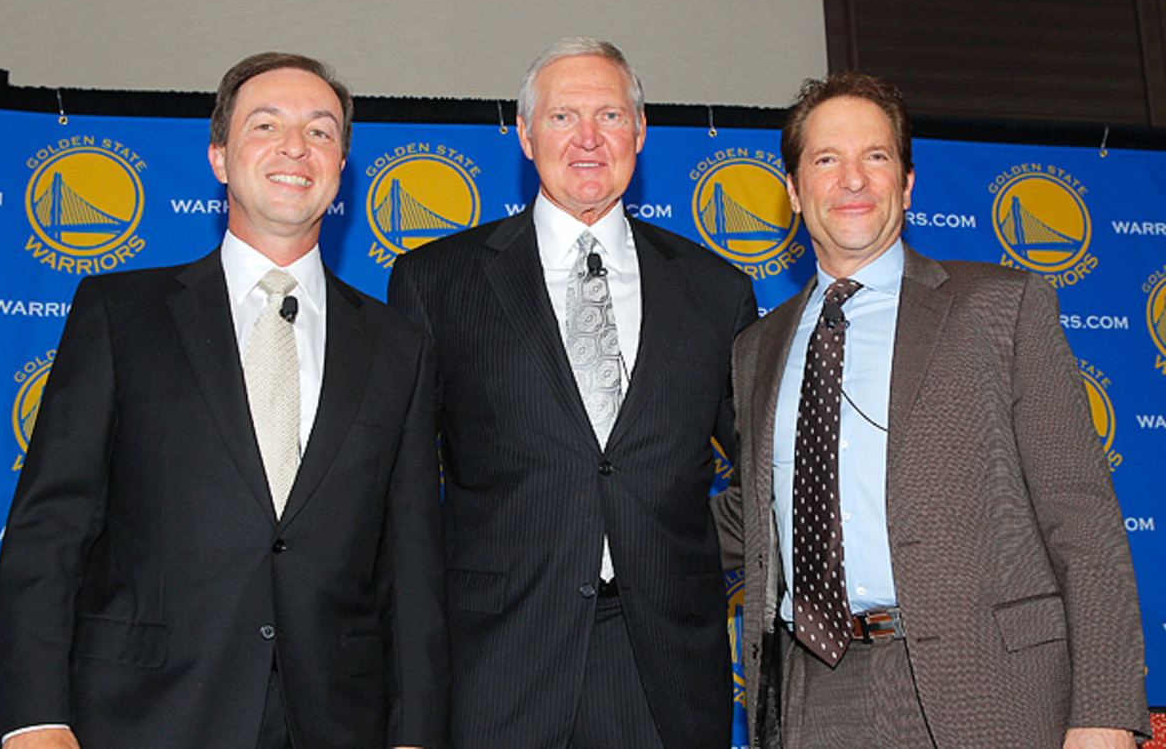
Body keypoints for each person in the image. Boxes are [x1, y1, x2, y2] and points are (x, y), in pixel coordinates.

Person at [0, 52, 448, 749]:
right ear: (220, 158)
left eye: (321, 132)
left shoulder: (398, 347)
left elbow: (411, 568)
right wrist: (33, 719)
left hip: (335, 722)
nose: (297, 147)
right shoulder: (121, 314)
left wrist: (416, 734)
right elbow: (49, 531)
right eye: (267, 125)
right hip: (140, 716)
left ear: (342, 167)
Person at [713, 70, 1151, 748]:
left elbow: (1083, 524)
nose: (852, 180)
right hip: (815, 697)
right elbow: (757, 512)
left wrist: (1104, 712)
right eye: (827, 160)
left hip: (990, 692)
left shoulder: (1001, 308)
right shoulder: (756, 349)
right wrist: (597, 529)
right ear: (795, 192)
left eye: (876, 157)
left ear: (908, 183)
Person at [388, 37, 757, 748]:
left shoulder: (716, 291)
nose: (588, 138)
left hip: (665, 674)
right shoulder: (437, 282)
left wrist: (669, 544)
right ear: (525, 135)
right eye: (562, 118)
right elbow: (397, 498)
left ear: (641, 132)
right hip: (496, 665)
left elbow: (767, 473)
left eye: (610, 116)